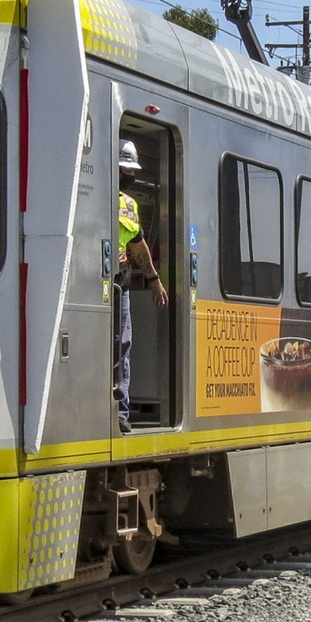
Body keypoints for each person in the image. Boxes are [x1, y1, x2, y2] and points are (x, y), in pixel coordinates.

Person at [114, 139, 168, 433]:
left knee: (122, 346)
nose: (129, 174)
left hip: (119, 281)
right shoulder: (95, 194)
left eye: (131, 169)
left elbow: (138, 245)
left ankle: (120, 411)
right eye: (125, 168)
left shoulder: (129, 204)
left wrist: (154, 280)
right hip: (94, 280)